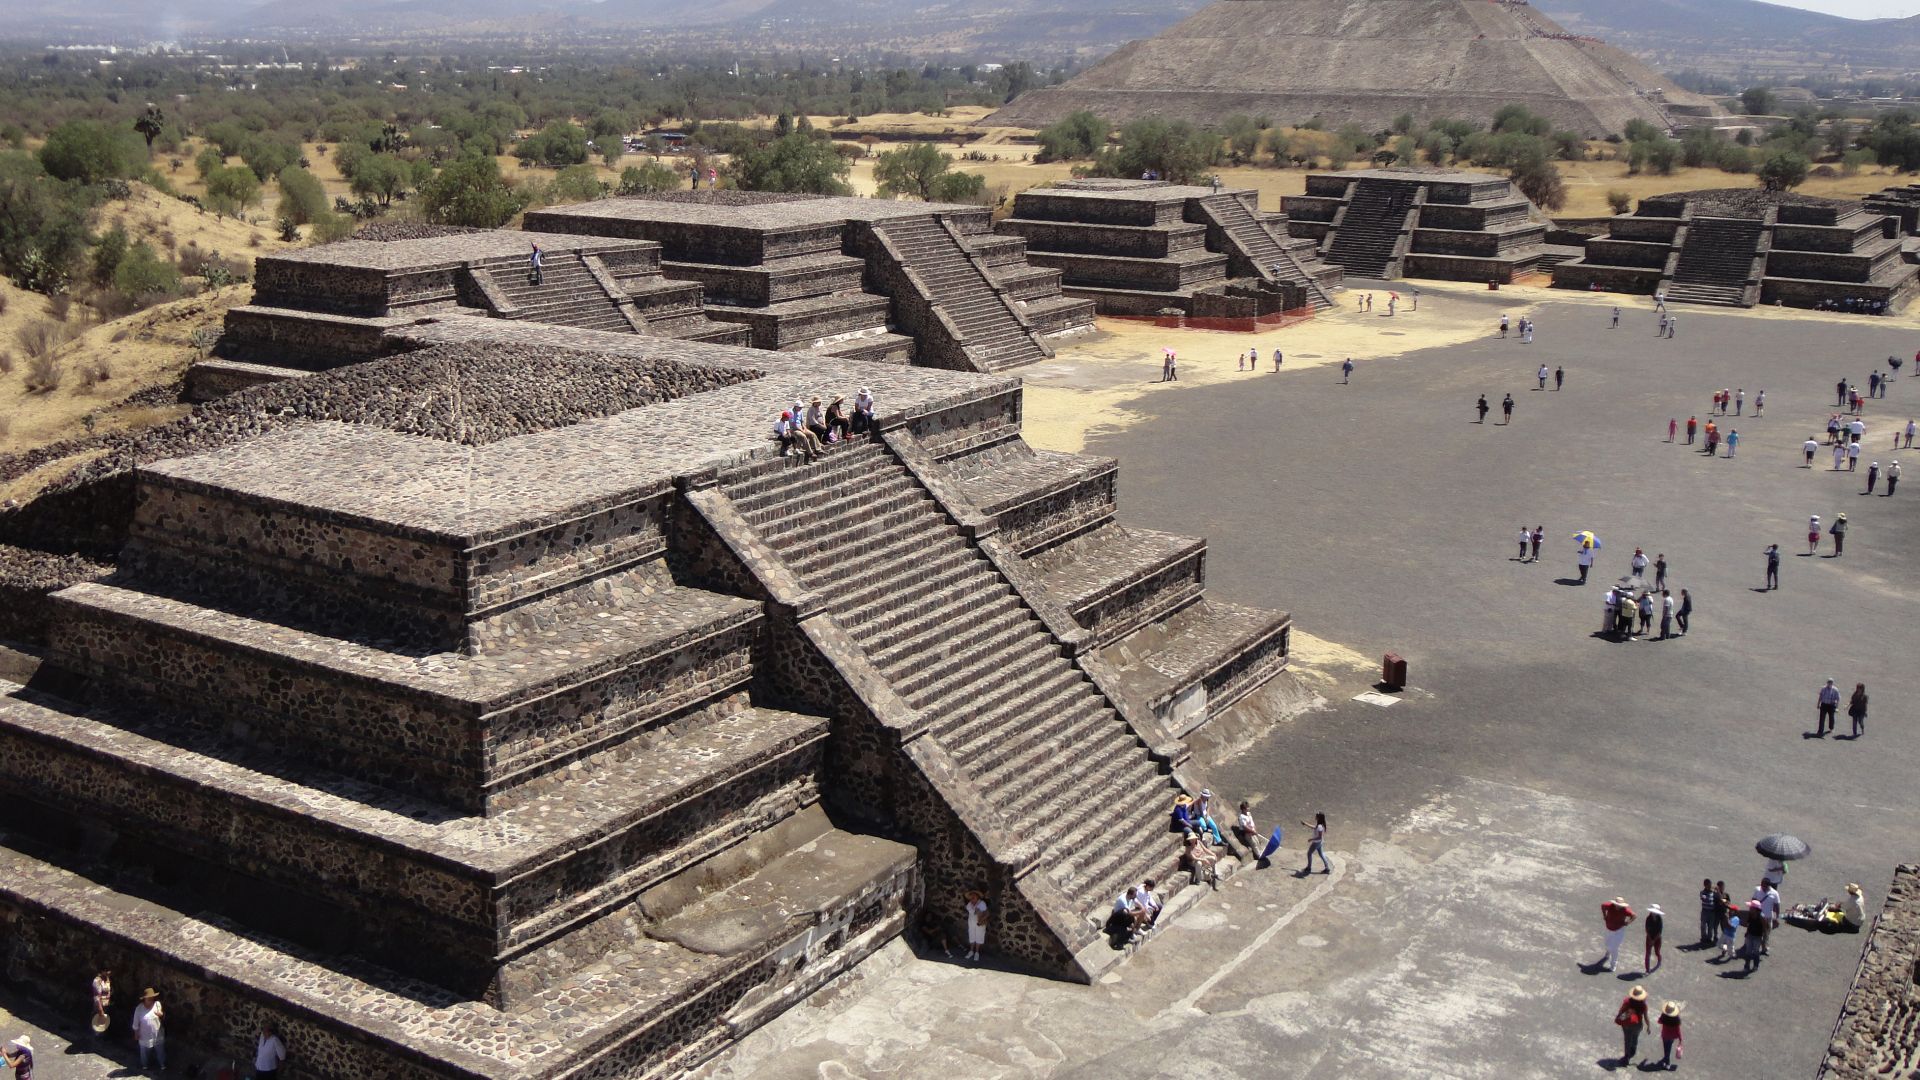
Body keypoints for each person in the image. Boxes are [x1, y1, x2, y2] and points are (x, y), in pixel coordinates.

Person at [1615, 985, 1650, 1065]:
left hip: (1627, 1024)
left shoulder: (1627, 1001)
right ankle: (1633, 1049)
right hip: (1638, 1024)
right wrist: (1648, 1026)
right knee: (1635, 1036)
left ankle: (1626, 1057)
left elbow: (1621, 1012)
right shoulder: (1643, 1005)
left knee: (1627, 1040)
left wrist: (1619, 1017)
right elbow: (1646, 1017)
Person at [132, 987, 164, 1072]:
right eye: (149, 997)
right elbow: (136, 1022)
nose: (151, 998)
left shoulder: (157, 1004)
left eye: (152, 997)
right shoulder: (139, 1008)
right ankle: (145, 1065)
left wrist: (160, 1014)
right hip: (144, 1035)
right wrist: (136, 1033)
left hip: (157, 1034)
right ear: (144, 998)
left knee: (160, 1051)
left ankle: (162, 1065)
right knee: (144, 1053)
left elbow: (161, 1014)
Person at [1600, 896, 1636, 971]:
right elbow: (1603, 906)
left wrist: (1627, 923)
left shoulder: (1625, 910)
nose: (1618, 906)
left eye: (1620, 905)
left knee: (1614, 948)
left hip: (1618, 930)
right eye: (1617, 904)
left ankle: (1613, 965)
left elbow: (1634, 915)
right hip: (1608, 929)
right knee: (1607, 943)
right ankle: (1608, 953)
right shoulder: (1609, 906)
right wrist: (1604, 915)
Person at [1657, 1001, 1684, 1070]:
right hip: (1672, 1037)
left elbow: (1659, 1021)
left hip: (1665, 1035)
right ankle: (1666, 1059)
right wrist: (1680, 1039)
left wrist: (1662, 1016)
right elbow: (1678, 1030)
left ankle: (1667, 1063)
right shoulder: (1676, 1019)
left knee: (1666, 1049)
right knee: (1668, 1048)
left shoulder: (1664, 1016)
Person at [964, 890, 988, 962]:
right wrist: (977, 911)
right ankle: (971, 951)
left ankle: (977, 952)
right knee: (972, 936)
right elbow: (974, 912)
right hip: (971, 923)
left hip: (980, 924)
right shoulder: (969, 905)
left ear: (977, 897)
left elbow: (983, 913)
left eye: (973, 897)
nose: (972, 899)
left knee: (979, 936)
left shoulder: (982, 903)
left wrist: (979, 912)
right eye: (971, 898)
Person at [91, 966, 111, 1042]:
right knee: (98, 1024)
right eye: (107, 971)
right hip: (99, 1006)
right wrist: (100, 1010)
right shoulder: (97, 981)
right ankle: (96, 1041)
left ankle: (102, 1039)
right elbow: (97, 997)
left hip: (106, 1005)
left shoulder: (107, 979)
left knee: (104, 1024)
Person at [1698, 879, 1719, 946]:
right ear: (1705, 885)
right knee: (1703, 925)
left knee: (1711, 926)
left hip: (1712, 912)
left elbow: (1719, 898)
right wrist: (1705, 896)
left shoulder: (1713, 893)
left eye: (1710, 884)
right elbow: (1703, 897)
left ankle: (1709, 938)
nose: (1710, 886)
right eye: (1708, 885)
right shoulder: (1702, 892)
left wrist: (1717, 891)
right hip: (1705, 911)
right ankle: (1703, 937)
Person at [1644, 903, 1664, 971]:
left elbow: (1659, 932)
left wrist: (1654, 940)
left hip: (1657, 938)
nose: (1653, 913)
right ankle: (1647, 969)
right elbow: (1647, 929)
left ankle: (1659, 959)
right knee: (1647, 953)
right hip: (1649, 938)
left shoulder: (1659, 920)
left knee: (1657, 951)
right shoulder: (1648, 918)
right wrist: (1650, 939)